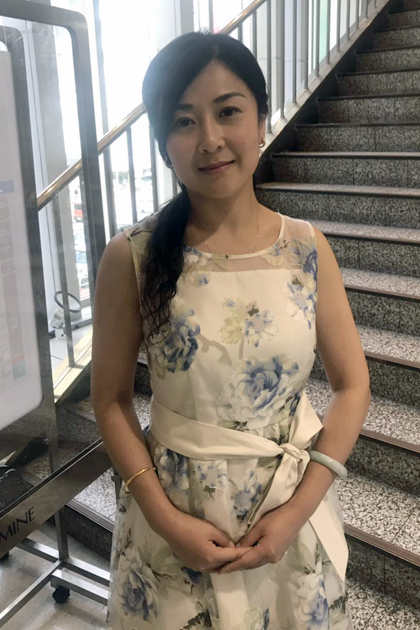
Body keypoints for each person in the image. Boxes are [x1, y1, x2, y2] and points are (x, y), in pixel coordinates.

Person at [91, 30, 371, 630]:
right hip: (175, 525)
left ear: (261, 120)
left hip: (288, 522)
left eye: (228, 112)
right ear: (164, 143)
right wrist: (166, 521)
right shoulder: (133, 256)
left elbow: (353, 387)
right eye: (184, 121)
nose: (210, 139)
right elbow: (110, 399)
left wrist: (297, 512)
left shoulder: (306, 248)